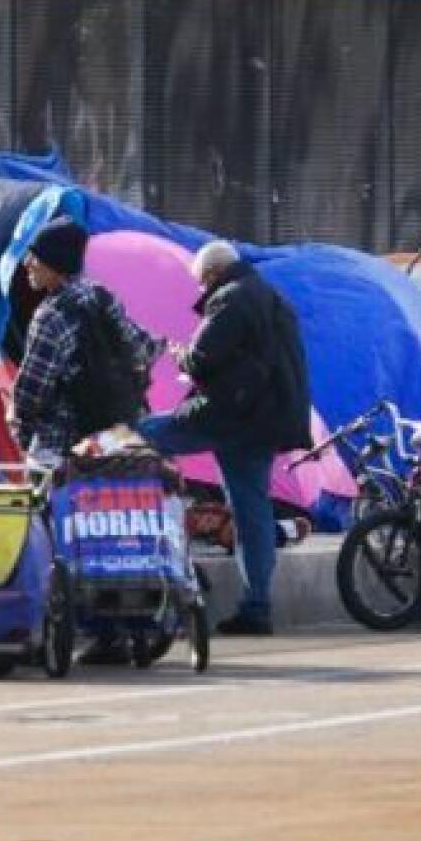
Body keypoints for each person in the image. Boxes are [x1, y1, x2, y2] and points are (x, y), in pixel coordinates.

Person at [137, 240, 311, 638]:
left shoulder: (231, 299)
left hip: (231, 415)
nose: (201, 292)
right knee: (251, 509)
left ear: (213, 275)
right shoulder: (271, 296)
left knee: (138, 438)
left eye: (201, 285)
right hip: (264, 419)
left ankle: (152, 545)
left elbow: (201, 358)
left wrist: (179, 354)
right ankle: (257, 606)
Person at [9, 218, 162, 457]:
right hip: (116, 437)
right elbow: (142, 349)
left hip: (63, 444)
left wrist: (18, 423)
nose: (26, 263)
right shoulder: (102, 296)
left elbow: (31, 391)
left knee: (53, 493)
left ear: (55, 263)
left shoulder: (51, 315)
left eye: (35, 256)